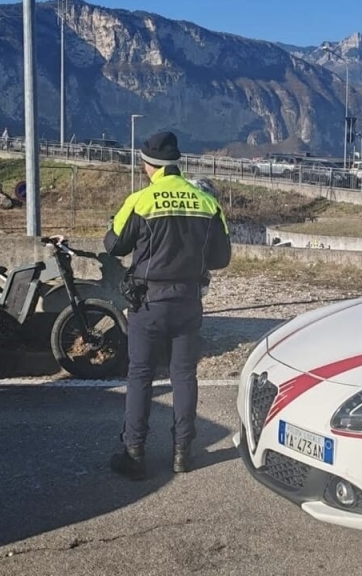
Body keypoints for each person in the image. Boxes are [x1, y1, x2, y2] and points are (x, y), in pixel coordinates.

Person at [104, 131, 231, 480]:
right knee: (184, 375)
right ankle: (182, 453)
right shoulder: (207, 202)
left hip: (148, 302)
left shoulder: (140, 200)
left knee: (141, 375)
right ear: (175, 163)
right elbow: (221, 258)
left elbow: (113, 245)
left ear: (148, 166)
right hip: (189, 300)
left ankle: (134, 452)